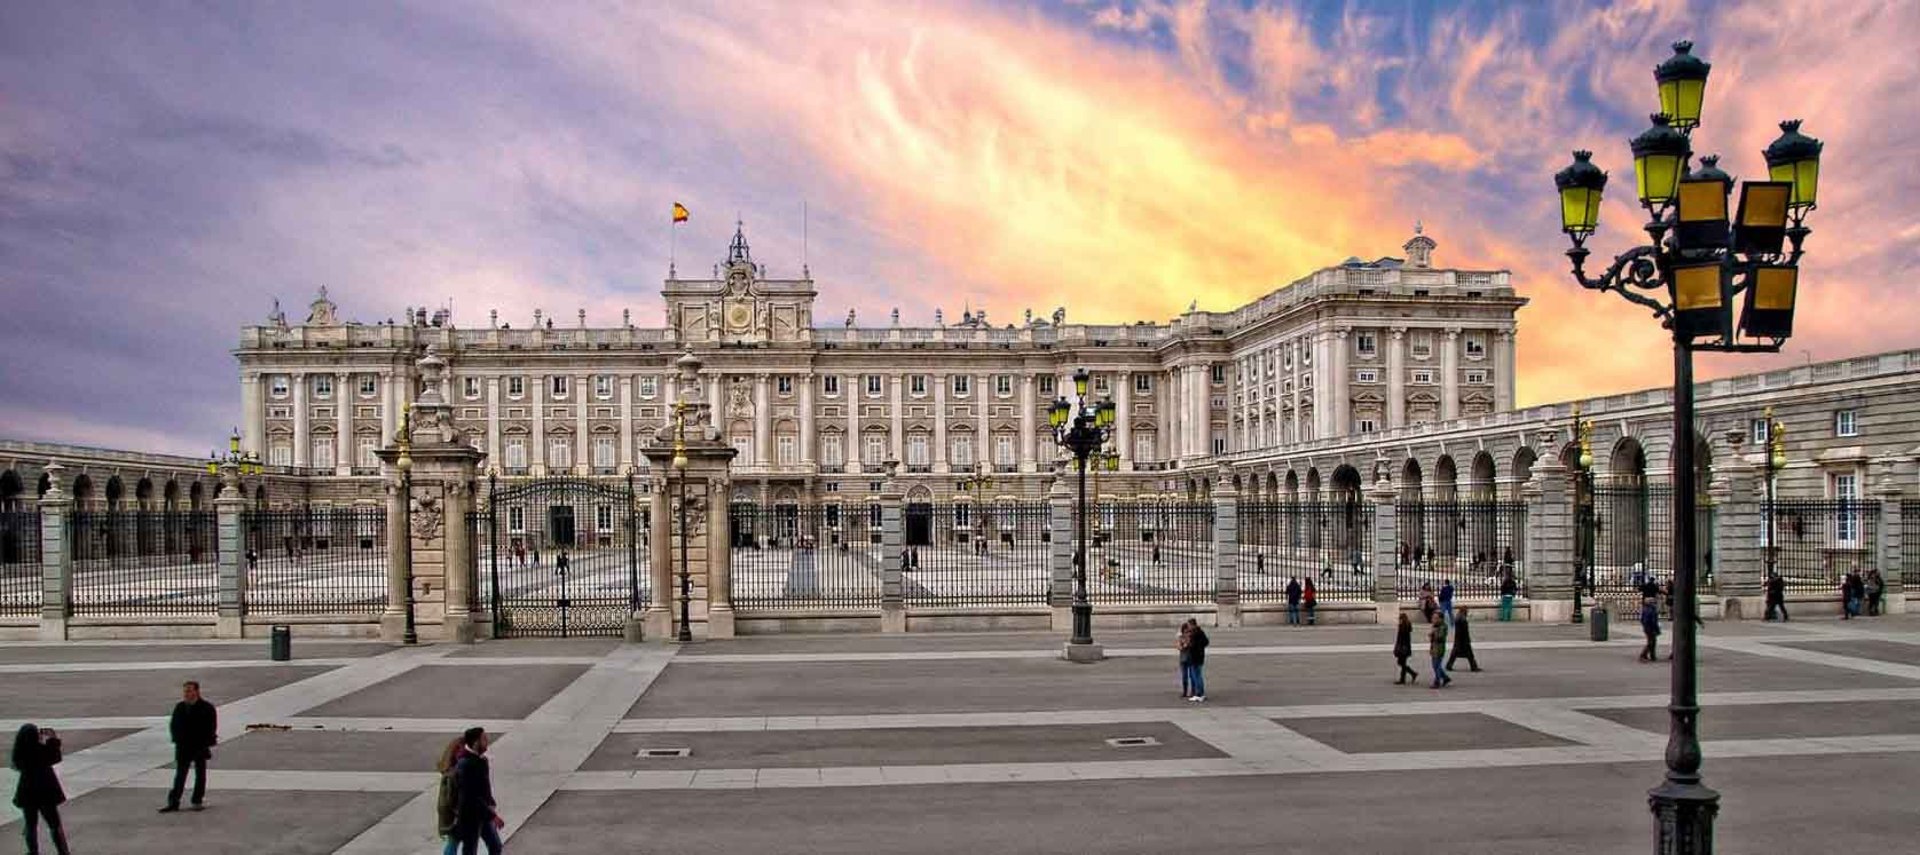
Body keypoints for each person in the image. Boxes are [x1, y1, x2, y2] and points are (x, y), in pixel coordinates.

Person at [12, 724, 71, 855]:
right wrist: (52, 739)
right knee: (54, 825)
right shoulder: (42, 750)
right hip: (46, 793)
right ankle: (63, 851)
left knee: (30, 826)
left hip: (28, 794)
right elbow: (56, 757)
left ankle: (33, 852)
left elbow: (16, 764)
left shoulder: (20, 753)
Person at [161, 680, 217, 813]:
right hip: (183, 747)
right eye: (185, 691)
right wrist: (177, 740)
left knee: (200, 774)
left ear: (197, 691)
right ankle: (174, 802)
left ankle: (197, 800)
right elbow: (174, 725)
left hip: (199, 746)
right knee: (180, 775)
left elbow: (211, 727)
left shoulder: (207, 707)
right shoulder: (180, 707)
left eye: (190, 690)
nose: (187, 693)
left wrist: (206, 742)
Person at [450, 727, 504, 855]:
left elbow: (484, 787)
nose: (487, 742)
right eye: (484, 739)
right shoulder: (465, 764)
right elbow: (470, 796)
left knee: (495, 846)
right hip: (470, 816)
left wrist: (490, 802)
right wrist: (493, 815)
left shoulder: (481, 760)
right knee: (470, 850)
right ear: (475, 743)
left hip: (483, 813)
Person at [435, 735, 465, 855]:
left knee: (454, 841)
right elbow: (450, 798)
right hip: (453, 815)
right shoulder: (453, 774)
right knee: (454, 841)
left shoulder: (453, 771)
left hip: (451, 813)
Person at [1182, 620, 1209, 702]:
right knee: (1198, 675)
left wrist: (1189, 645)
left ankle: (1198, 694)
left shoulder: (1194, 633)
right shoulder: (1201, 632)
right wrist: (1200, 647)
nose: (1188, 627)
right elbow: (1206, 642)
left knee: (1196, 676)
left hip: (1195, 657)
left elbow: (1192, 645)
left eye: (1189, 625)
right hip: (1200, 656)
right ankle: (1201, 693)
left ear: (1192, 625)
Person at [1448, 608, 1480, 673]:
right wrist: (1468, 639)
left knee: (1454, 654)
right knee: (1469, 655)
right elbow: (1465, 631)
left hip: (1458, 640)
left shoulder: (1458, 618)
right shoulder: (1463, 619)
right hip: (1463, 640)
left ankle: (1449, 665)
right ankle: (1473, 667)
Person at [1392, 613, 1418, 685]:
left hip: (1403, 648)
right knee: (1402, 663)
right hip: (1405, 647)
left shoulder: (1403, 627)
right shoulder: (1406, 626)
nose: (1399, 620)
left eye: (1400, 619)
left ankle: (1408, 676)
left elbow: (1400, 639)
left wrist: (1397, 647)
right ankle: (1409, 675)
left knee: (1401, 663)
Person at [1428, 611, 1451, 689]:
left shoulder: (1443, 626)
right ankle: (1445, 677)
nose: (1433, 619)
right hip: (1434, 648)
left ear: (1441, 619)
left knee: (1436, 666)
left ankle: (1437, 681)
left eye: (1435, 618)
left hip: (1439, 649)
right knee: (1435, 666)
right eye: (1433, 618)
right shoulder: (1435, 626)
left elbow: (1440, 637)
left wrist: (1433, 633)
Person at [1638, 595, 1661, 662]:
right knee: (1651, 642)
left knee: (1651, 641)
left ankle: (1652, 655)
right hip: (1651, 628)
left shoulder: (1645, 609)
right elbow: (1654, 621)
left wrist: (1644, 626)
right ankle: (1644, 654)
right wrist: (1656, 629)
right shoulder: (1652, 610)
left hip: (1647, 628)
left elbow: (1642, 619)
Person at [1176, 622, 1193, 699]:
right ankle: (1185, 691)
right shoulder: (1181, 637)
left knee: (1192, 676)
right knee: (1184, 676)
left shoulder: (1192, 637)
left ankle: (1193, 691)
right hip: (1183, 659)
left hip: (1191, 658)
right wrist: (1182, 646)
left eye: (1188, 631)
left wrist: (1187, 644)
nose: (1187, 633)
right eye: (1185, 631)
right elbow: (1178, 647)